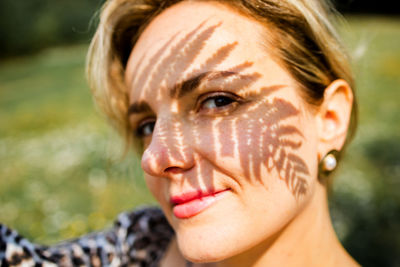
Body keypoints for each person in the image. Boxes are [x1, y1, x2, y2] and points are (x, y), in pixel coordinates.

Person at [0, 0, 360, 266]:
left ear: (329, 120)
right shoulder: (134, 248)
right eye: (147, 125)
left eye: (217, 101)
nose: (154, 157)